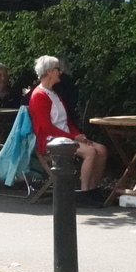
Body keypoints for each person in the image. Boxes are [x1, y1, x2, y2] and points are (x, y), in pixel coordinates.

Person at [28, 55, 108, 206]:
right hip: (50, 141)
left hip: (66, 137)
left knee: (101, 150)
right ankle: (84, 193)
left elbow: (66, 121)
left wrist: (77, 134)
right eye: (58, 69)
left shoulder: (55, 94)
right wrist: (73, 137)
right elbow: (47, 127)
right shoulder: (38, 95)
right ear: (50, 71)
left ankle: (93, 189)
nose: (60, 72)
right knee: (90, 152)